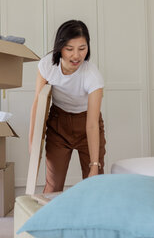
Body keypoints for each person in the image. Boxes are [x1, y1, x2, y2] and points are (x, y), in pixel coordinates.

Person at [29, 20, 106, 193]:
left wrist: (94, 165)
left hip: (87, 123)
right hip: (58, 124)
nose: (76, 56)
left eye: (82, 48)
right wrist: (33, 141)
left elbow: (92, 123)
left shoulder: (92, 75)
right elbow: (38, 103)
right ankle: (50, 219)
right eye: (69, 49)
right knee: (53, 186)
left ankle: (92, 219)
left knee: (94, 184)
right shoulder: (47, 65)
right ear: (60, 47)